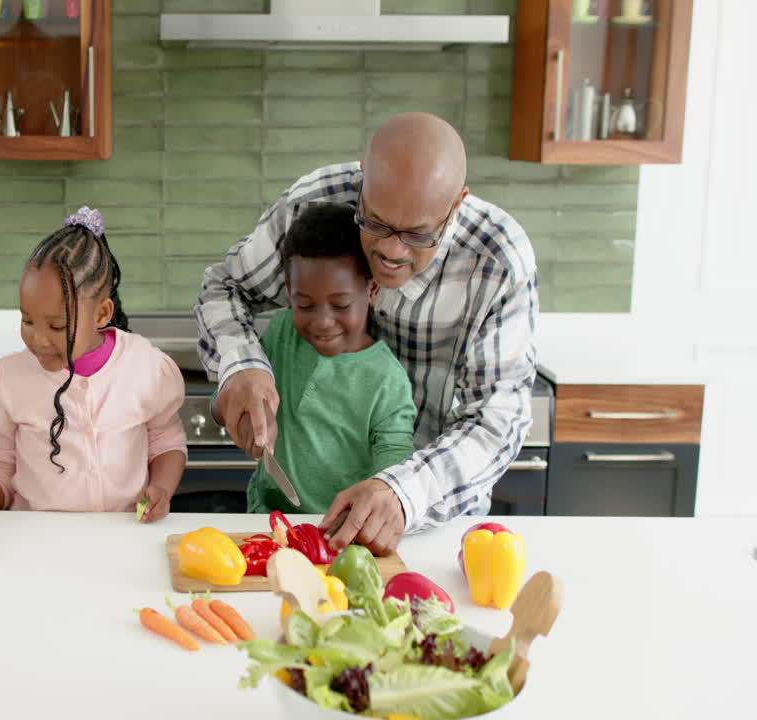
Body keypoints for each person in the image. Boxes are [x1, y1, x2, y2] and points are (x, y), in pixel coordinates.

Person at [196, 112, 538, 553]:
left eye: (417, 234)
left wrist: (402, 491)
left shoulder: (498, 260)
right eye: (375, 222)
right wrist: (241, 368)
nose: (392, 252)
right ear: (362, 184)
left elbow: (495, 422)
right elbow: (225, 287)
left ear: (456, 205)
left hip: (433, 523)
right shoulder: (313, 204)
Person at [0, 207, 187, 521]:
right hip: (39, 542)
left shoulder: (146, 369)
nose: (37, 339)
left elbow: (166, 444)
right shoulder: (6, 382)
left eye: (57, 326)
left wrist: (161, 487)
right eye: (27, 320)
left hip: (125, 538)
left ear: (102, 314)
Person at [217, 203, 416, 515]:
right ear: (289, 291)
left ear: (373, 290)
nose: (323, 321)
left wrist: (382, 495)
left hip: (342, 530)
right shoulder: (281, 332)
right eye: (305, 305)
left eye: (340, 305)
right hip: (267, 515)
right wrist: (241, 414)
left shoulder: (388, 380)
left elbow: (396, 460)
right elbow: (225, 401)